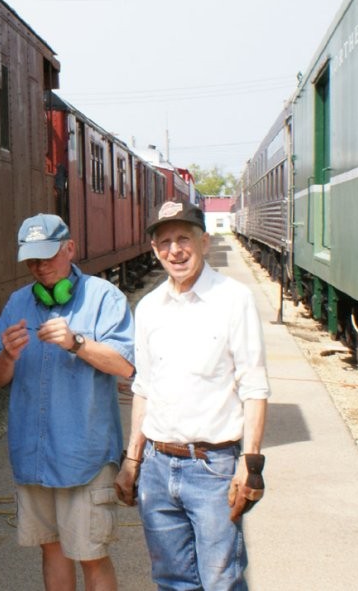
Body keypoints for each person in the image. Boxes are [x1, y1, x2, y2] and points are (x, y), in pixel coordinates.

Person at [114, 200, 270, 591]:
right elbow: (144, 387)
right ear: (154, 250)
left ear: (204, 241)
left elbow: (254, 387)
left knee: (222, 581)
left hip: (213, 468)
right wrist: (132, 461)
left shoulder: (234, 299)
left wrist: (250, 465)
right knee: (171, 581)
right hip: (156, 467)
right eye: (164, 242)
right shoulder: (148, 308)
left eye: (184, 238)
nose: (175, 250)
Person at [0, 213, 135, 591]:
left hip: (84, 457)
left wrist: (76, 343)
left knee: (91, 555)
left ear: (70, 248)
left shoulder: (103, 297)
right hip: (33, 455)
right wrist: (7, 357)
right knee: (51, 550)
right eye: (31, 259)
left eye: (48, 255)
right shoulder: (18, 303)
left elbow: (126, 366)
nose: (40, 266)